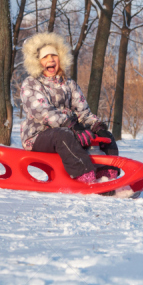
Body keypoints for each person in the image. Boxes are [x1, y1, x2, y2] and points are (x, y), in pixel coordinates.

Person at [19, 32, 118, 184]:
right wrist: (71, 125)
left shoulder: (69, 84)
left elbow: (83, 112)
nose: (50, 59)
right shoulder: (31, 84)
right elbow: (43, 112)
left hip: (69, 131)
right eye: (45, 57)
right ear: (36, 62)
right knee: (63, 135)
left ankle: (107, 175)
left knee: (106, 137)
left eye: (54, 56)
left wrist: (96, 126)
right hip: (38, 135)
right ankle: (85, 176)